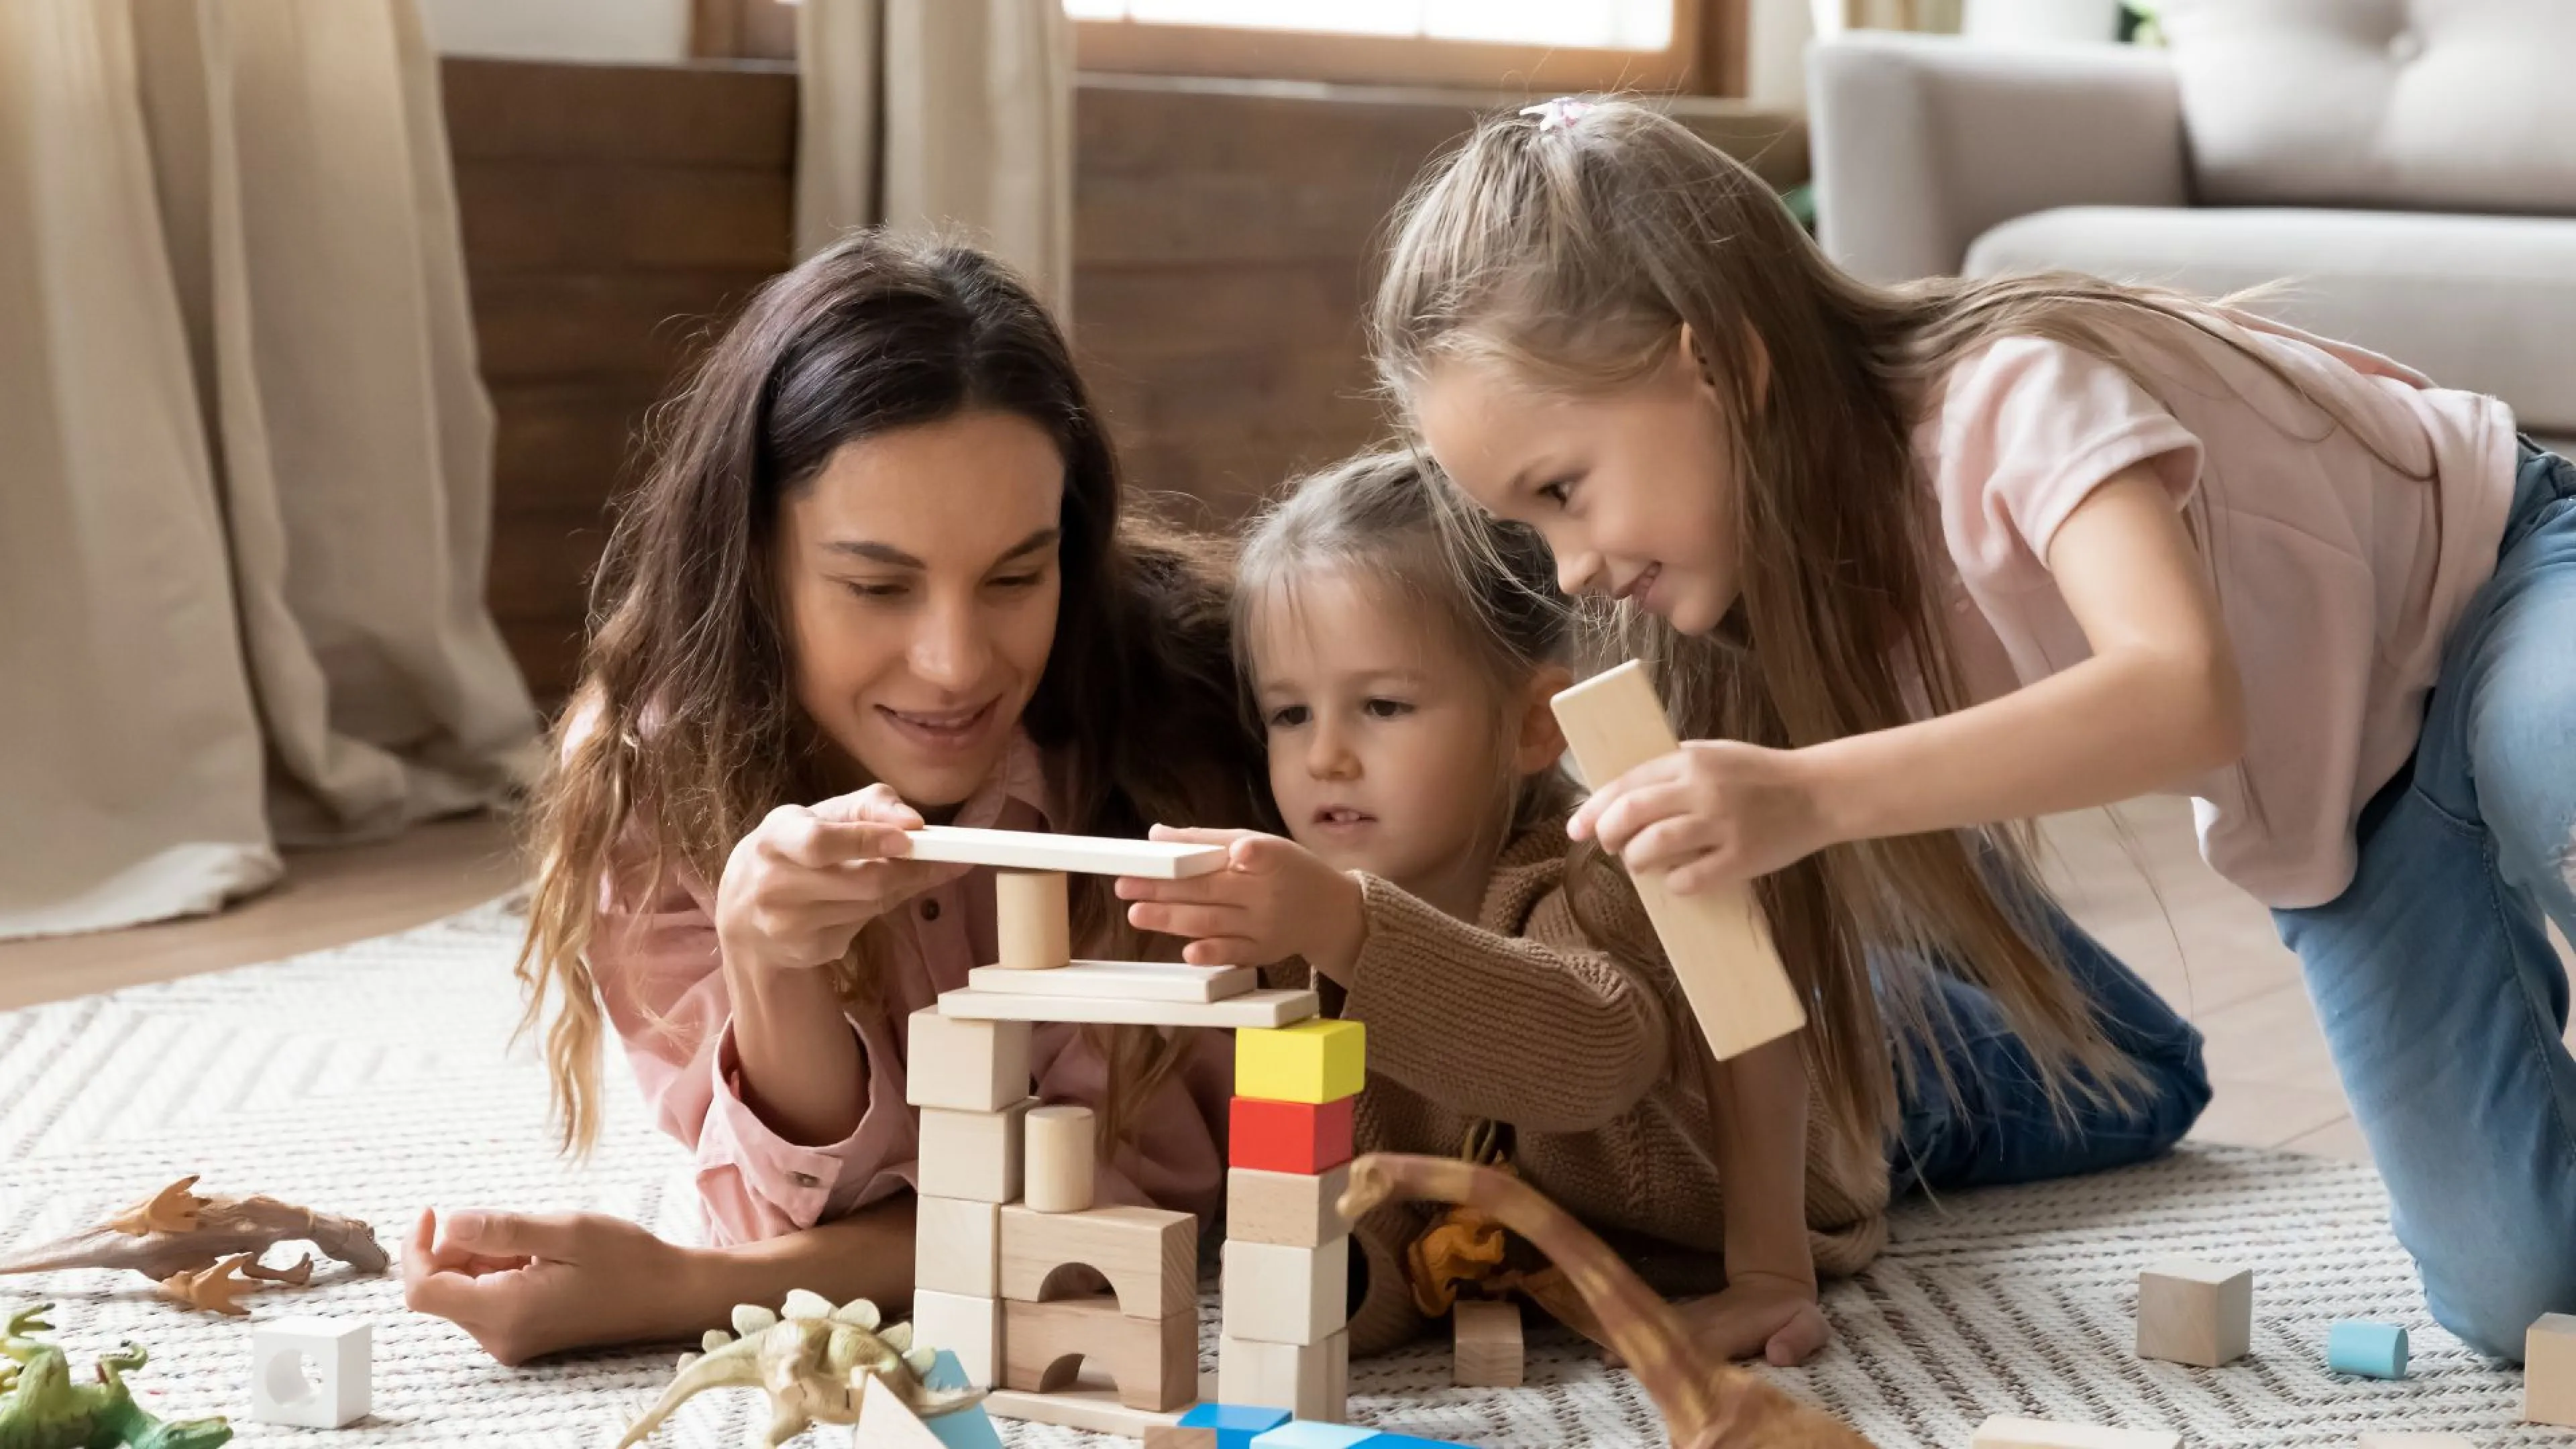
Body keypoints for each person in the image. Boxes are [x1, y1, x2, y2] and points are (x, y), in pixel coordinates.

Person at [1370, 94, 2570, 1360]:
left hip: (2507, 575)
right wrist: (1772, 1266)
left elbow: (2180, 692)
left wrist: (1809, 793)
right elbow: (1754, 956)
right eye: (1531, 524)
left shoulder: (2013, 393)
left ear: (1718, 360)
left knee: (2554, 746)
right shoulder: (1748, 626)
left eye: (1564, 490)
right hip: (2358, 795)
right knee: (2522, 1299)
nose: (1566, 569)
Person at [1120, 448, 2207, 1366]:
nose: (1328, 757)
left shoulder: (1594, 882)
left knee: (2153, 1079)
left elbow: (1588, 1055)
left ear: (1535, 728)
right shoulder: (1304, 938)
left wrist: (1771, 1270)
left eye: (1384, 706)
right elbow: (1387, 1222)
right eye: (1291, 713)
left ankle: (1911, 867)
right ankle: (1852, 890)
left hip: (1856, 1086)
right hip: (1714, 1010)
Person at [402, 232, 1269, 1364]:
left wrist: (689, 1290)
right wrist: (771, 967)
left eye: (1017, 576)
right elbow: (796, 1211)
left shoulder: (1183, 717)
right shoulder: (658, 785)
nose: (956, 663)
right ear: (756, 557)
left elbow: (1108, 1209)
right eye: (876, 585)